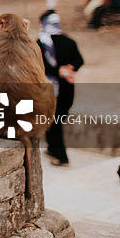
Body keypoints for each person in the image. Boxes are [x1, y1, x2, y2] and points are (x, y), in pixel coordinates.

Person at [37, 12, 84, 166]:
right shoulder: (69, 41)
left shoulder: (42, 43)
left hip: (50, 89)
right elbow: (79, 60)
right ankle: (52, 149)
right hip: (67, 88)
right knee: (55, 120)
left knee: (53, 121)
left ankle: (61, 156)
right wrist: (70, 69)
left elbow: (41, 65)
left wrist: (58, 71)